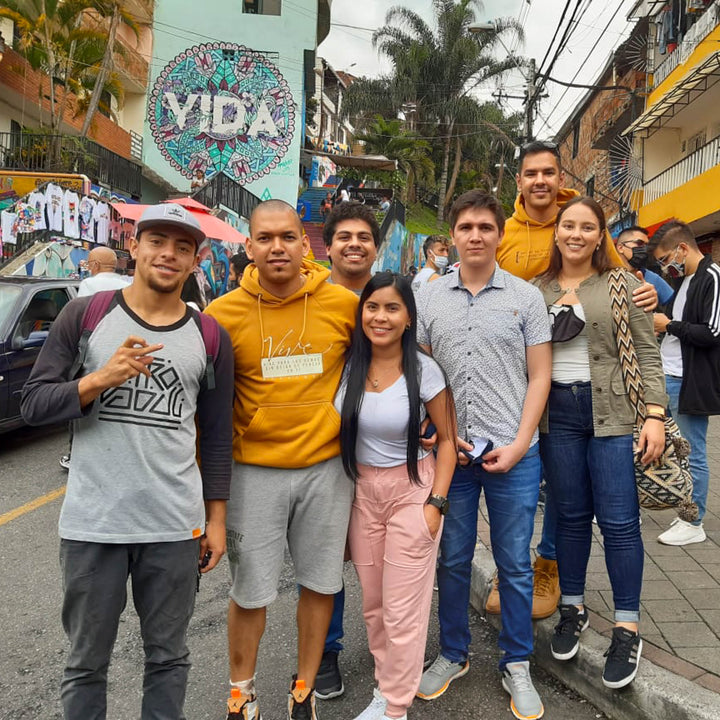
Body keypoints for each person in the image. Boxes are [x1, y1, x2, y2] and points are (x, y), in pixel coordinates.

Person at [20, 203, 234, 719]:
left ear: (195, 261)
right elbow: (32, 404)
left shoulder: (209, 336)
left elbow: (218, 437)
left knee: (168, 658)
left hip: (173, 525)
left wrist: (217, 520)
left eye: (182, 247)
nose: (168, 254)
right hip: (94, 523)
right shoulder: (87, 316)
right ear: (133, 248)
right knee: (85, 663)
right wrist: (98, 379)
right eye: (157, 241)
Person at [487, 140, 658, 621]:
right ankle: (540, 585)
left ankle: (600, 603)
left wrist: (655, 415)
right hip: (531, 401)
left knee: (603, 516)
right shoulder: (514, 253)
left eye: (549, 172)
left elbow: (638, 333)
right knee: (548, 502)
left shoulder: (610, 267)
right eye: (530, 173)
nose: (575, 234)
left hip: (605, 407)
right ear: (518, 181)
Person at [204, 199, 358, 720]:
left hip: (326, 469)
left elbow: (385, 362)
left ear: (305, 244)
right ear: (248, 246)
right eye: (265, 238)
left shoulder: (342, 305)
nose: (277, 247)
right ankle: (241, 693)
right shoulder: (220, 316)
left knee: (321, 583)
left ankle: (304, 689)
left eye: (287, 237)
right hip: (254, 473)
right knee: (250, 592)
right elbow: (205, 406)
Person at [416, 190, 551, 720]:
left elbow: (539, 375)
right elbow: (423, 372)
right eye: (466, 226)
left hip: (515, 453)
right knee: (450, 558)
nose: (475, 235)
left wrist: (520, 443)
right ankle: (453, 653)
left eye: (485, 227)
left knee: (515, 564)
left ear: (499, 234)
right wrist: (432, 426)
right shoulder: (428, 297)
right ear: (452, 234)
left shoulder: (525, 297)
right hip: (454, 454)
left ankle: (516, 661)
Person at [534, 196, 666, 689]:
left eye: (587, 227)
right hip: (557, 418)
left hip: (612, 415)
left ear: (600, 235)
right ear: (556, 231)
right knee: (567, 517)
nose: (575, 234)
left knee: (618, 522)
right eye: (568, 225)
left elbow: (648, 357)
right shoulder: (536, 289)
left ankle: (627, 626)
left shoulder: (624, 284)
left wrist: (654, 414)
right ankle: (572, 607)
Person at [337, 272, 456, 720]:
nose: (380, 316)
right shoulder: (348, 363)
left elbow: (447, 439)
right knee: (374, 607)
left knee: (403, 611)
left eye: (392, 308)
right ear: (361, 312)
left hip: (411, 493)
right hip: (361, 494)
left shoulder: (424, 370)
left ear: (408, 318)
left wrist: (435, 504)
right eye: (372, 307)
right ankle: (385, 689)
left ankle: (395, 707)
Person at [312, 201, 380, 700]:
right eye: (344, 237)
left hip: (385, 445)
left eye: (364, 236)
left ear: (375, 248)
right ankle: (325, 651)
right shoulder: (308, 297)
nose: (354, 244)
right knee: (325, 555)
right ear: (329, 246)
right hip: (323, 447)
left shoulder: (394, 295)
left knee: (389, 555)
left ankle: (391, 648)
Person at [651, 220, 720, 545]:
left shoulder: (712, 277)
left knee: (691, 452)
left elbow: (713, 332)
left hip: (689, 380)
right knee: (668, 449)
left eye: (666, 259)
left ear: (683, 248)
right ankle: (678, 508)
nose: (667, 266)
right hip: (667, 376)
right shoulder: (683, 281)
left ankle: (693, 522)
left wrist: (670, 326)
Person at [59, 247, 133, 471]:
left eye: (89, 264)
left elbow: (81, 321)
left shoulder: (89, 285)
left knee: (83, 399)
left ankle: (75, 455)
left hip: (93, 355)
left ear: (95, 266)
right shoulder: (126, 284)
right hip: (123, 354)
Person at [616, 226, 674, 305]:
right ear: (620, 248)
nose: (644, 249)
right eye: (639, 243)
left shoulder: (653, 279)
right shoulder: (606, 276)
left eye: (647, 245)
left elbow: (675, 306)